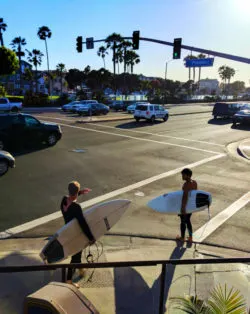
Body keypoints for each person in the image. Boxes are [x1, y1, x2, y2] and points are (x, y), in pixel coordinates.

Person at [60, 181, 95, 288]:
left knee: (77, 254)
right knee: (75, 258)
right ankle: (69, 281)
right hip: (76, 234)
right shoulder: (76, 207)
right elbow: (83, 224)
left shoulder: (63, 200)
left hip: (68, 232)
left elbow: (71, 197)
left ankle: (80, 270)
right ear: (76, 192)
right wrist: (91, 238)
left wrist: (79, 192)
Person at [176, 168, 197, 243]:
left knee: (183, 222)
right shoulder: (194, 182)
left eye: (183, 175)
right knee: (188, 221)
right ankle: (190, 237)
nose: (182, 176)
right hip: (191, 206)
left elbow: (185, 197)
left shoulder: (186, 185)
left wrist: (182, 208)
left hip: (186, 206)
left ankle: (182, 238)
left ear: (188, 175)